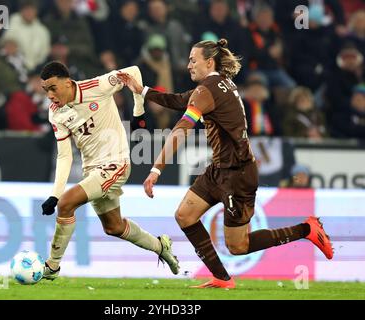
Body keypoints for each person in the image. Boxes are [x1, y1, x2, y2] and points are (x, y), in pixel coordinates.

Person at [117, 38, 333, 289]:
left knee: (237, 246)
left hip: (237, 174)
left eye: (193, 60)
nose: (188, 65)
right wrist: (141, 90)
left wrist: (156, 169)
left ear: (209, 62)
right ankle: (222, 278)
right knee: (185, 216)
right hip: (219, 170)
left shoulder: (207, 90)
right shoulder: (218, 85)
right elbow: (178, 100)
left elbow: (181, 129)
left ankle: (306, 229)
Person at [39, 61, 179, 279]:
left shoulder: (97, 86)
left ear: (68, 83)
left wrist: (138, 110)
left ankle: (52, 267)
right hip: (93, 170)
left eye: (53, 88)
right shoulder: (56, 112)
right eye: (45, 90)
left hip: (116, 163)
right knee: (114, 227)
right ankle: (161, 246)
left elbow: (133, 72)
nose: (49, 95)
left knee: (67, 204)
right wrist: (53, 195)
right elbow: (65, 155)